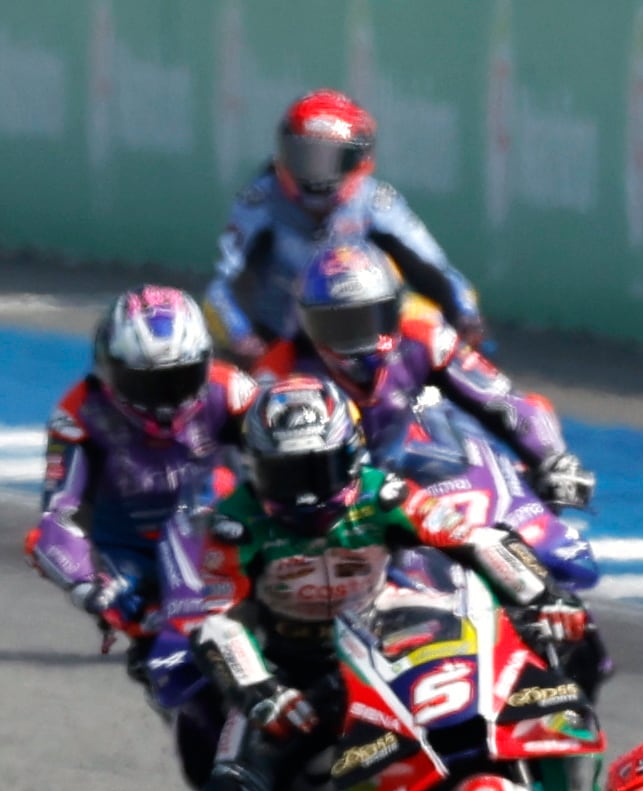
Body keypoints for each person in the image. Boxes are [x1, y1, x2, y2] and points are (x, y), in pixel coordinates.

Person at [182, 376, 593, 791]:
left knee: (551, 672)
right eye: (289, 470)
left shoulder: (385, 494)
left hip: (388, 638)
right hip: (292, 676)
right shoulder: (237, 523)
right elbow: (214, 621)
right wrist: (259, 692)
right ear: (258, 466)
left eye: (319, 466)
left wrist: (541, 595)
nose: (306, 488)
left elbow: (475, 538)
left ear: (349, 455)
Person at [260, 245, 595, 583]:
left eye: (368, 320)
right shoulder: (280, 372)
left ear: (393, 311)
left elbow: (504, 400)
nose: (355, 339)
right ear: (308, 324)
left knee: (570, 560)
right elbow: (246, 459)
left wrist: (553, 458)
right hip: (344, 508)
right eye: (337, 325)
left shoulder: (423, 335)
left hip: (428, 472)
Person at [27, 287, 255, 718]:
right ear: (110, 370)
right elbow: (58, 514)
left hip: (220, 534)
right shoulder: (79, 412)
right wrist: (84, 583)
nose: (165, 399)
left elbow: (284, 448)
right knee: (149, 642)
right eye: (146, 381)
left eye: (180, 378)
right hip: (130, 560)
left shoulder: (233, 390)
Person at [208, 90, 484, 362]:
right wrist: (240, 336)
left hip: (366, 338)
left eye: (327, 160)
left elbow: (437, 270)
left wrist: (465, 315)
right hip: (284, 340)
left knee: (426, 325)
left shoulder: (377, 201)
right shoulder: (259, 200)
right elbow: (220, 289)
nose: (313, 175)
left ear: (359, 161)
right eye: (302, 157)